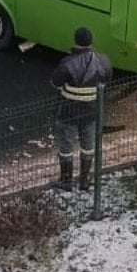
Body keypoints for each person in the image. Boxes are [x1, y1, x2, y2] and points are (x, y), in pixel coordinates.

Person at [51, 27, 112, 191]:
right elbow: (106, 81)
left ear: (75, 41)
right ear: (91, 41)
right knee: (88, 145)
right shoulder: (103, 61)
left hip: (68, 111)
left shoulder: (67, 63)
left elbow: (55, 83)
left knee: (66, 146)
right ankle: (84, 180)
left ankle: (66, 180)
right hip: (92, 111)